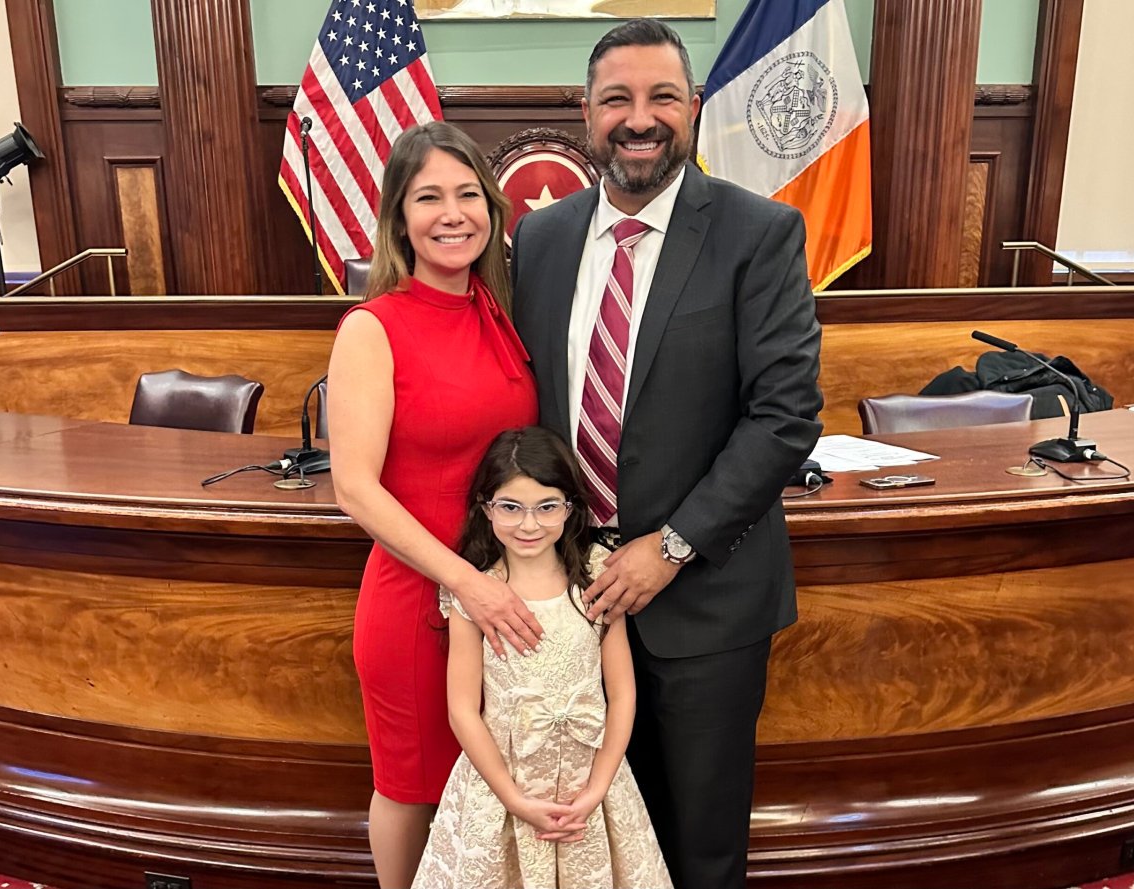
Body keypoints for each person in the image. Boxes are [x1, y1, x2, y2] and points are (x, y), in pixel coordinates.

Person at [510, 18, 824, 889]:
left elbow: (785, 415)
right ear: (586, 113)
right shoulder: (540, 238)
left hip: (706, 600)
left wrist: (673, 545)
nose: (638, 118)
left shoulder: (759, 233)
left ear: (691, 108)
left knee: (699, 840)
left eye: (660, 98)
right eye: (617, 99)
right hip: (567, 597)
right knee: (593, 834)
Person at [327, 121, 544, 889]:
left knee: (490, 791)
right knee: (414, 787)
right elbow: (354, 486)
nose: (452, 214)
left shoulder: (502, 310)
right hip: (423, 600)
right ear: (398, 218)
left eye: (467, 194)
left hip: (506, 602)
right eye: (429, 198)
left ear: (492, 207)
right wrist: (468, 583)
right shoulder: (373, 327)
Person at [413, 426, 672, 889]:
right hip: (503, 788)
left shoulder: (596, 575)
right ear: (485, 507)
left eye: (546, 506)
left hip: (591, 787)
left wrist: (598, 788)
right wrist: (514, 800)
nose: (528, 525)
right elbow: (462, 709)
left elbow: (623, 693)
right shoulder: (474, 593)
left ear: (570, 508)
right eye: (510, 507)